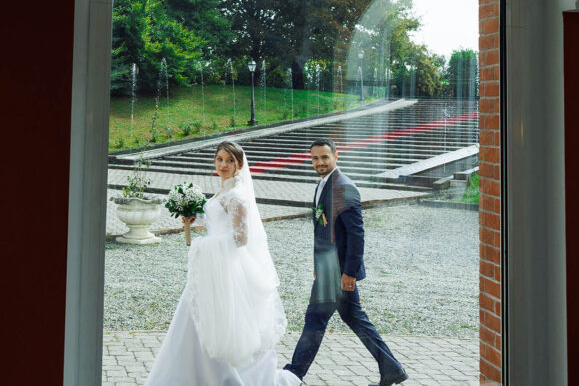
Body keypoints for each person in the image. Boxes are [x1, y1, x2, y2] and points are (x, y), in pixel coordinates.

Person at [146, 141, 300, 386]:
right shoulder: (222, 191)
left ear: (239, 165)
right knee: (195, 318)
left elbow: (240, 238)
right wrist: (195, 218)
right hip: (211, 268)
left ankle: (220, 377)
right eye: (220, 159)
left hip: (225, 268)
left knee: (221, 322)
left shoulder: (236, 196)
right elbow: (218, 223)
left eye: (230, 160)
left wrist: (203, 246)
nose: (224, 165)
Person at [283, 138, 409, 386]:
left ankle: (294, 373)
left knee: (315, 320)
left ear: (336, 156)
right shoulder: (323, 184)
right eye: (315, 158)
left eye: (325, 157)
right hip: (328, 268)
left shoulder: (344, 186)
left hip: (338, 273)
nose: (319, 162)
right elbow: (323, 230)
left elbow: (356, 234)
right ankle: (392, 369)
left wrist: (349, 273)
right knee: (355, 318)